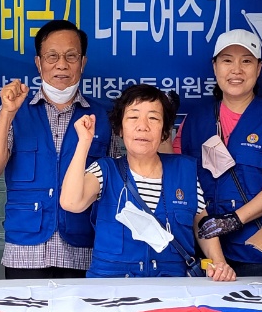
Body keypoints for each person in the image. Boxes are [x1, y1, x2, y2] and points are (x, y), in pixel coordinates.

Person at [60, 83, 236, 281]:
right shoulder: (104, 170)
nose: (142, 126)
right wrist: (84, 142)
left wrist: (220, 263)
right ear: (120, 128)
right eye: (133, 117)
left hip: (172, 286)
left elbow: (202, 225)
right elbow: (71, 202)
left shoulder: (184, 171)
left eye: (153, 118)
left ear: (164, 131)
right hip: (112, 288)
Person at [0, 19, 110, 278]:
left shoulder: (101, 117)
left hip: (82, 249)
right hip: (24, 251)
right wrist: (7, 112)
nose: (61, 64)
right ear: (39, 63)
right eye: (52, 56)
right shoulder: (15, 110)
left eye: (71, 56)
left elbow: (114, 184)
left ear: (83, 62)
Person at [179, 29, 262, 276]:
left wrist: (234, 219)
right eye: (227, 60)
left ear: (259, 68)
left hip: (257, 251)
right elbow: (177, 176)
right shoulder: (194, 120)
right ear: (215, 67)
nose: (236, 70)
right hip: (202, 251)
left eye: (246, 61)